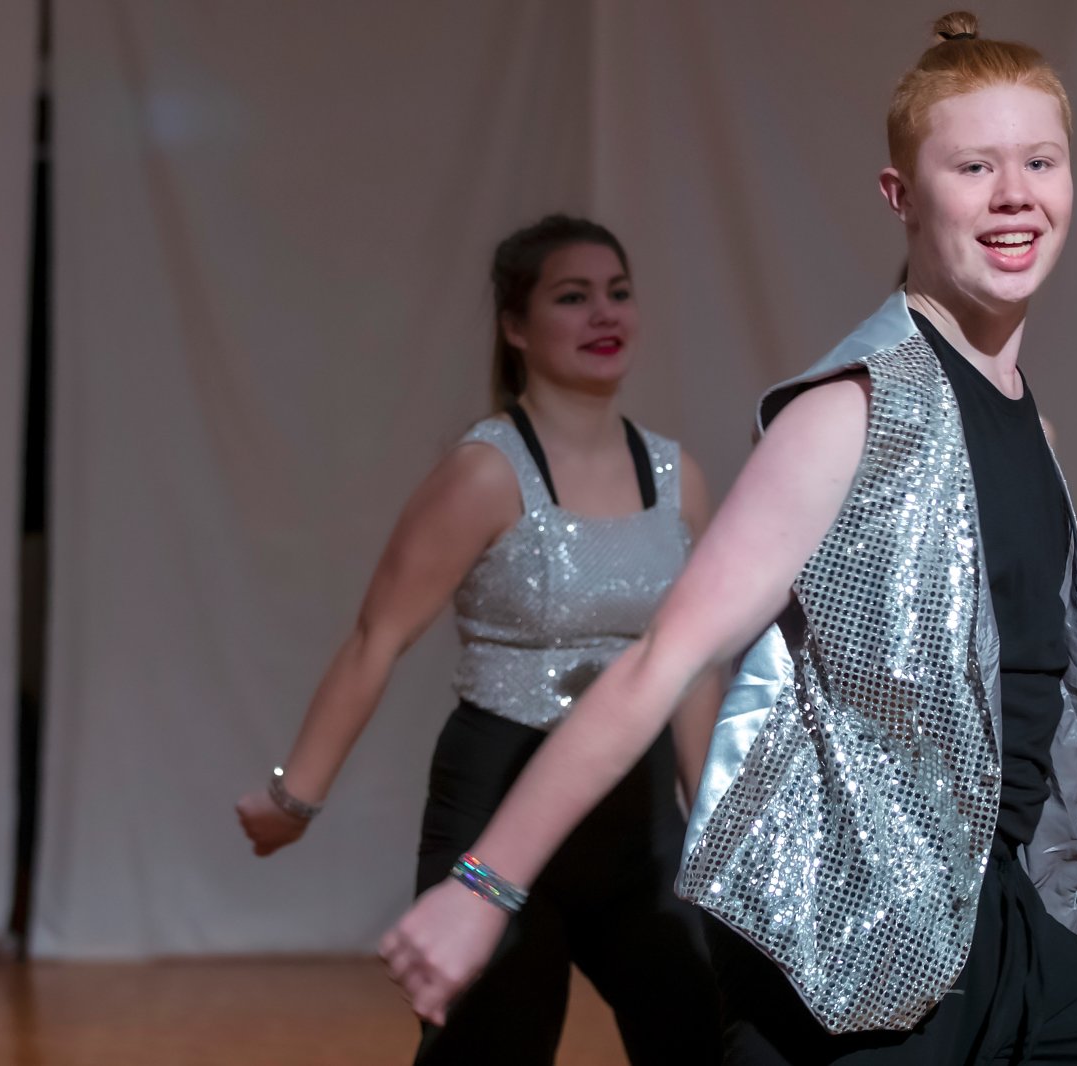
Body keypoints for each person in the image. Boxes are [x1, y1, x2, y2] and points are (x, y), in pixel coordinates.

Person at [382, 13, 1077, 1064]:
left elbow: (1065, 620)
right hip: (860, 948)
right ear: (901, 196)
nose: (1015, 194)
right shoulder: (848, 413)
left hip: (996, 917)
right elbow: (666, 658)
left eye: (1040, 161)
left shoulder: (1017, 416)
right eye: (974, 167)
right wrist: (484, 883)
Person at [235, 215, 722, 1065]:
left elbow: (694, 666)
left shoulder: (679, 479)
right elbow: (376, 638)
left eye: (617, 292)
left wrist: (716, 825)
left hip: (637, 823)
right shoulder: (484, 473)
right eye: (572, 297)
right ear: (516, 327)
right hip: (495, 799)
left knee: (711, 1038)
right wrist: (292, 799)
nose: (603, 313)